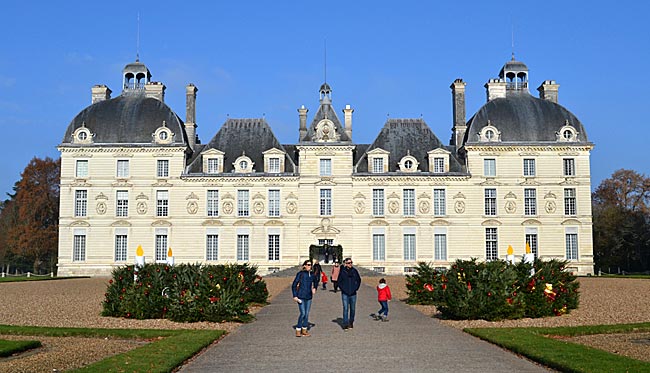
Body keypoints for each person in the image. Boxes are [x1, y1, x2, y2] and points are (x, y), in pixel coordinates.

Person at [292, 260, 317, 337]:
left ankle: (304, 330)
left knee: (306, 314)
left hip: (309, 296)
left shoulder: (312, 274)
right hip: (301, 296)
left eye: (310, 265)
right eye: (308, 265)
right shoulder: (300, 274)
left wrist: (314, 288)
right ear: (304, 266)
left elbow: (316, 281)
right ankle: (298, 329)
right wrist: (295, 295)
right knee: (302, 313)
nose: (310, 266)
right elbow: (294, 285)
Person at [338, 257, 361, 330]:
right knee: (345, 308)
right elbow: (339, 281)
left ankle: (351, 322)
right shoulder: (342, 271)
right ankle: (345, 324)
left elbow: (359, 280)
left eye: (351, 263)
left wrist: (356, 288)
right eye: (348, 263)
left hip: (353, 293)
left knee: (353, 309)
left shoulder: (354, 271)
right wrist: (342, 289)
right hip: (345, 293)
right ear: (345, 264)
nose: (350, 264)